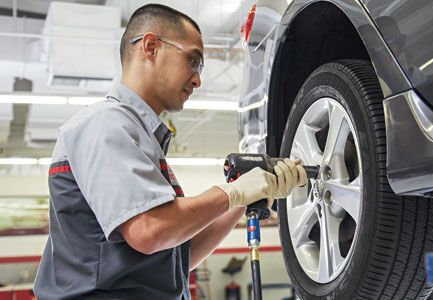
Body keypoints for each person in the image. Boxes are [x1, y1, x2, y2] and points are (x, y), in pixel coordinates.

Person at [33, 4, 306, 299]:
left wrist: (244, 198)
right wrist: (232, 193)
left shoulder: (140, 139)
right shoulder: (106, 124)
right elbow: (148, 231)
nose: (198, 79)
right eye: (193, 61)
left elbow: (178, 258)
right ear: (151, 47)